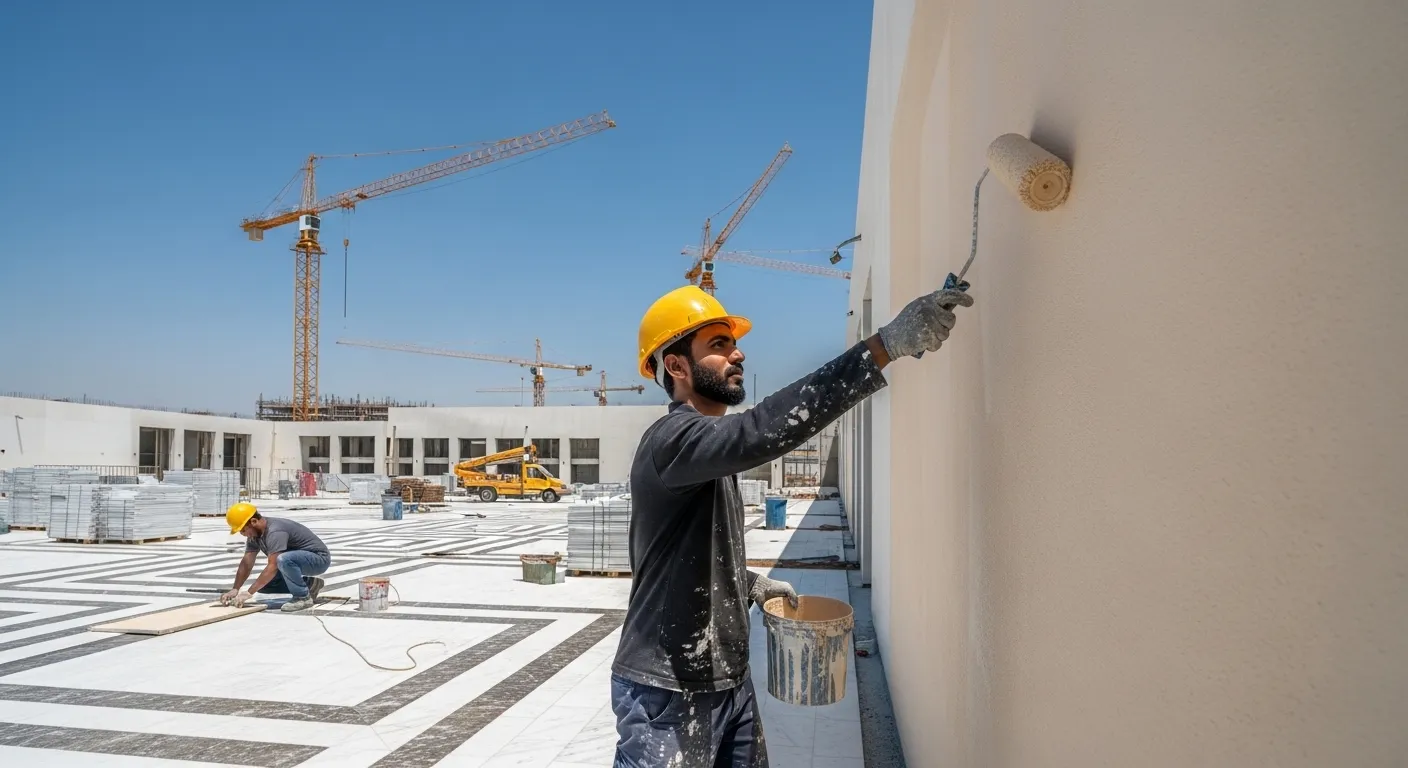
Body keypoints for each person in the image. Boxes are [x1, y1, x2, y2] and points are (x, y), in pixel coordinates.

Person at [611, 284, 973, 766]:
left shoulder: (706, 454)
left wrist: (748, 583)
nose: (738, 353)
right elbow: (760, 430)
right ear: (676, 366)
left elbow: (681, 551)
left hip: (728, 680)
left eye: (733, 343)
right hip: (668, 689)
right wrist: (883, 346)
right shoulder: (672, 438)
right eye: (718, 344)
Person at [221, 503, 331, 613]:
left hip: (319, 559)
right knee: (264, 586)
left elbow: (273, 566)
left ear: (253, 521)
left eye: (243, 530)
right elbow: (247, 562)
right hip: (296, 560)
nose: (242, 534)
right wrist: (235, 588)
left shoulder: (275, 531)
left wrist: (249, 593)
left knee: (283, 559)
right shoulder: (255, 535)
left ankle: (302, 597)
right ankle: (310, 584)